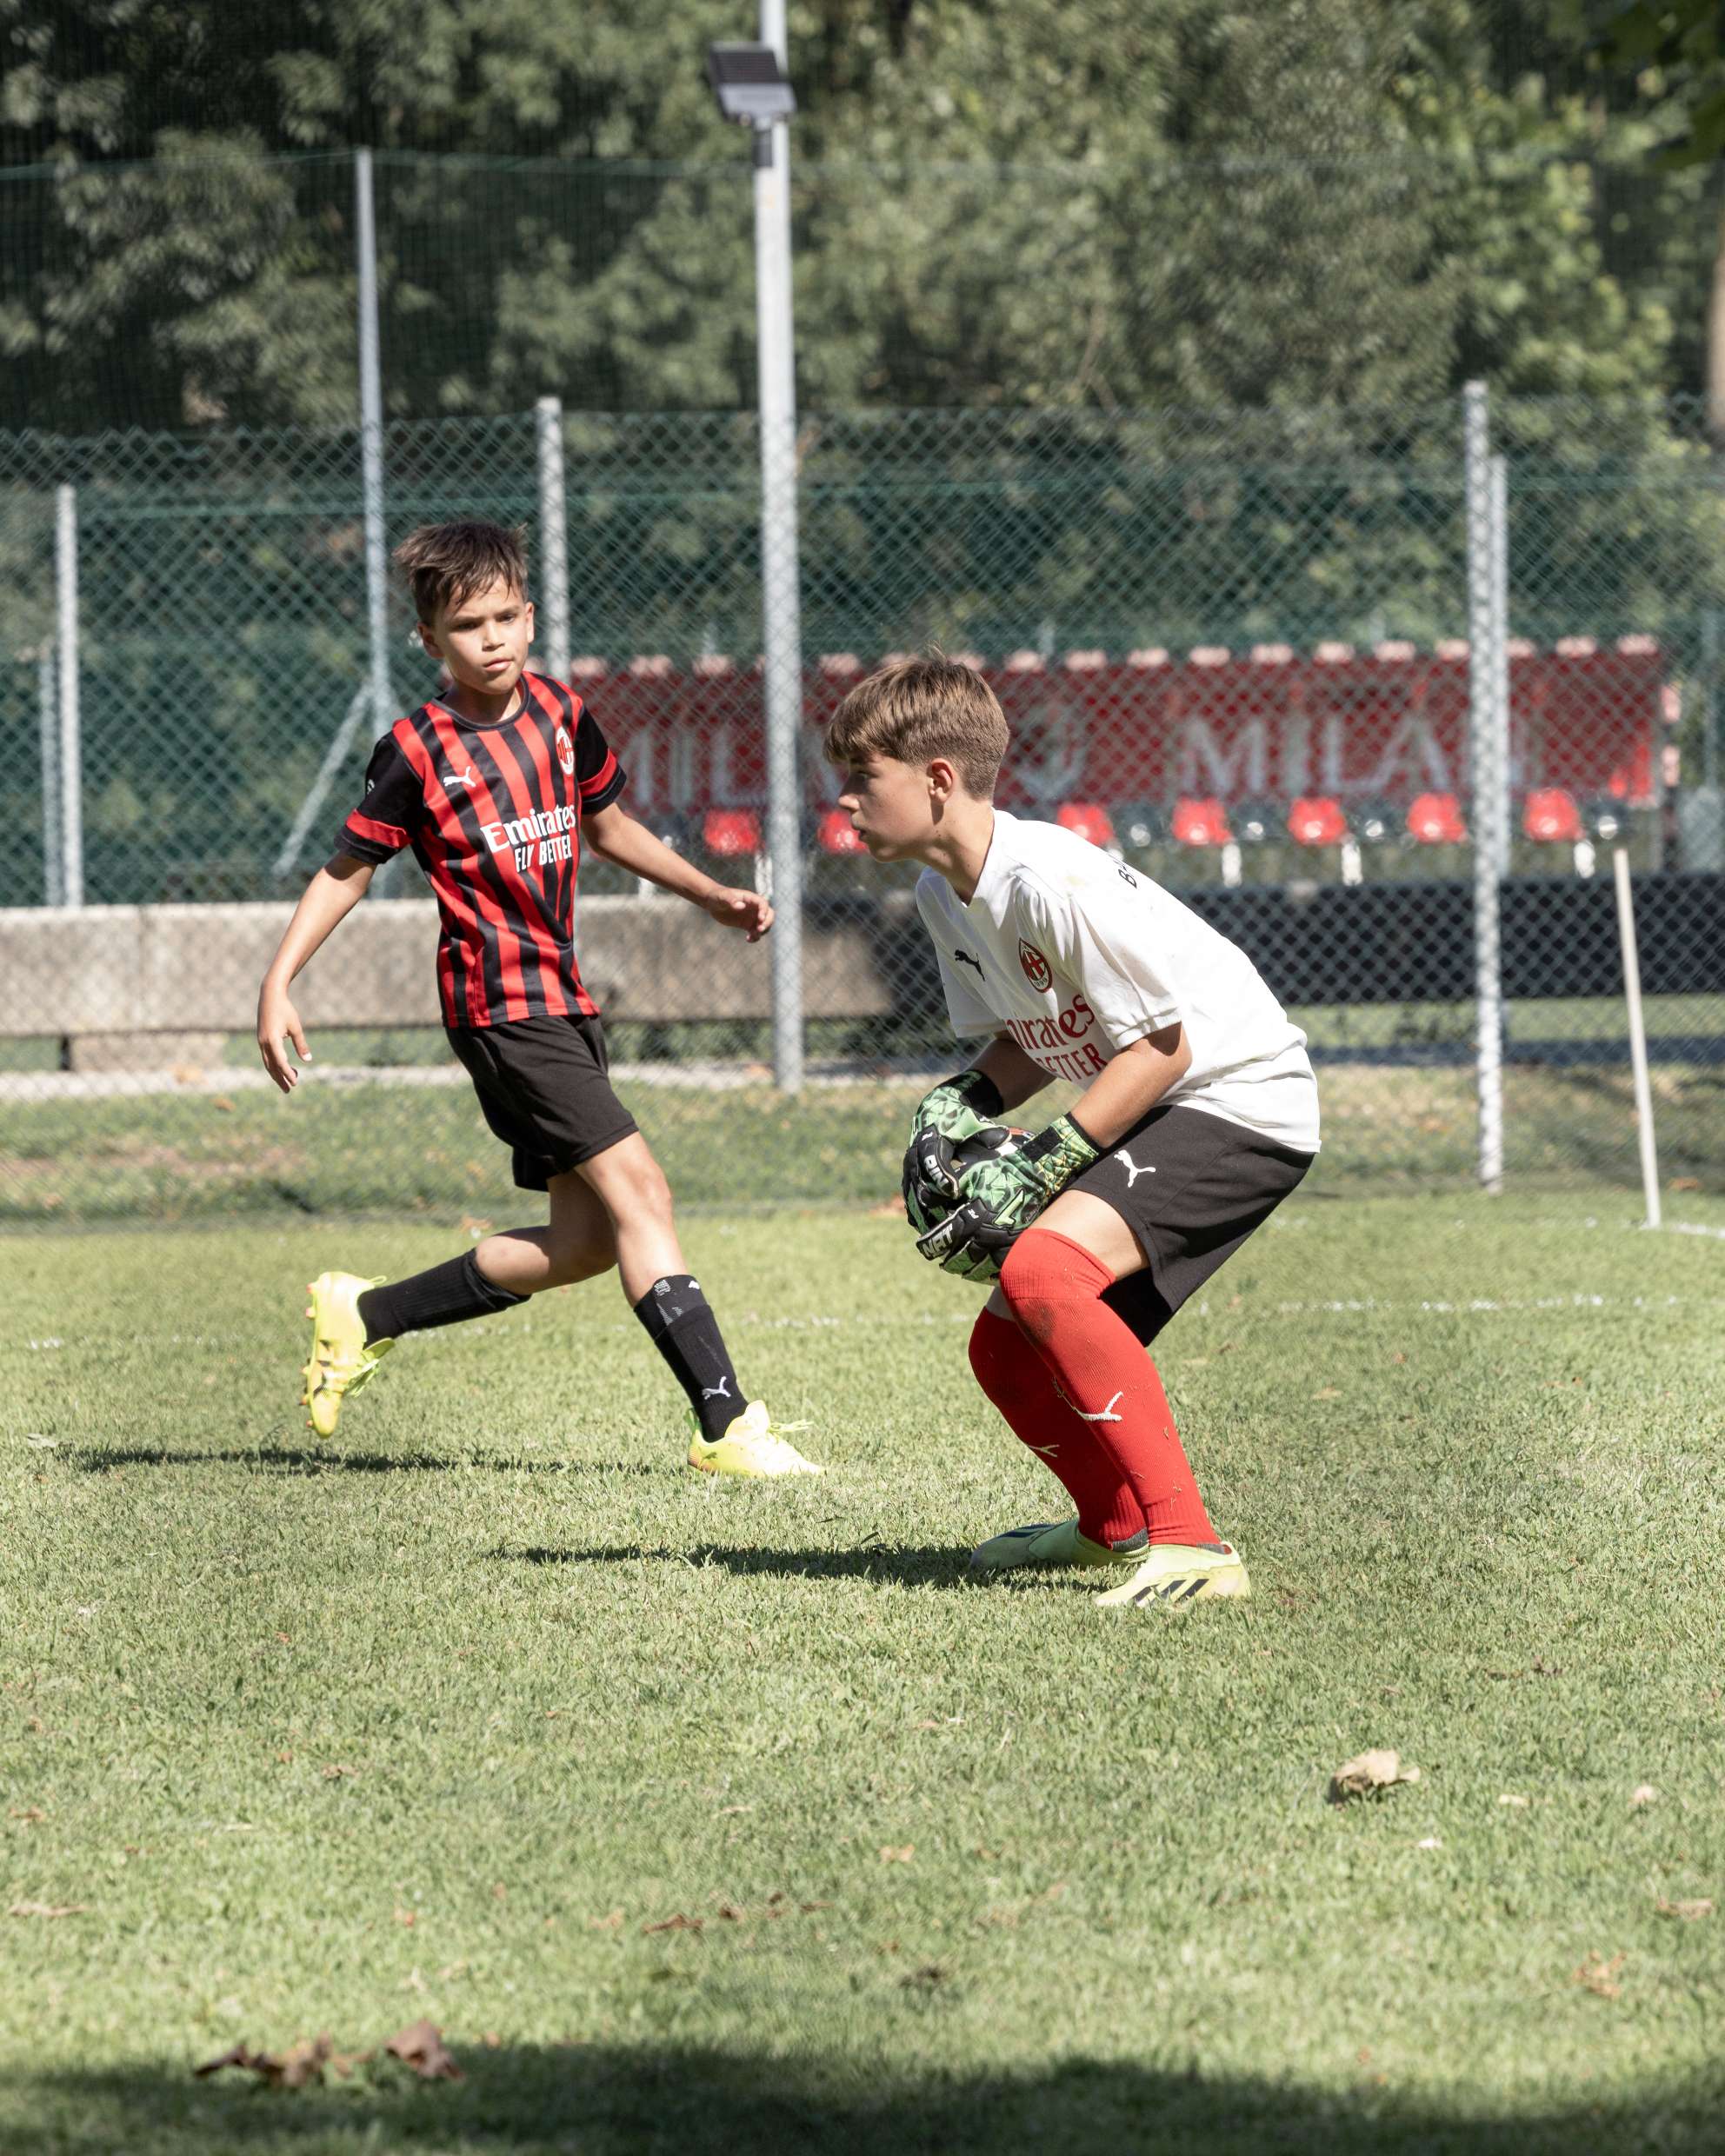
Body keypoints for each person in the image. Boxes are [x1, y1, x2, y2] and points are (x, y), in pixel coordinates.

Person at [255, 519, 821, 1478]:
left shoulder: (560, 712)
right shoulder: (416, 750)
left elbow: (605, 825)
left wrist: (707, 891)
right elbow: (346, 870)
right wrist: (278, 982)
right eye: (469, 624)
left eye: (508, 615)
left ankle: (367, 1311)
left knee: (586, 1241)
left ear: (530, 612)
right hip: (500, 1010)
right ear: (430, 641)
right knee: (645, 1192)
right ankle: (727, 1424)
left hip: (564, 1001)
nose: (495, 637)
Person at [826, 655, 1318, 1608]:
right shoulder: (943, 894)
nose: (843, 800)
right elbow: (1034, 1037)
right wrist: (960, 1097)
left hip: (1239, 1099)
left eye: (862, 775)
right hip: (1163, 1098)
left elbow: (1163, 1047)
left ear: (936, 780)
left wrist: (1047, 1159)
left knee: (1043, 1270)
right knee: (1004, 1347)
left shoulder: (1048, 876)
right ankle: (1111, 1528)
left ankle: (1193, 1545)